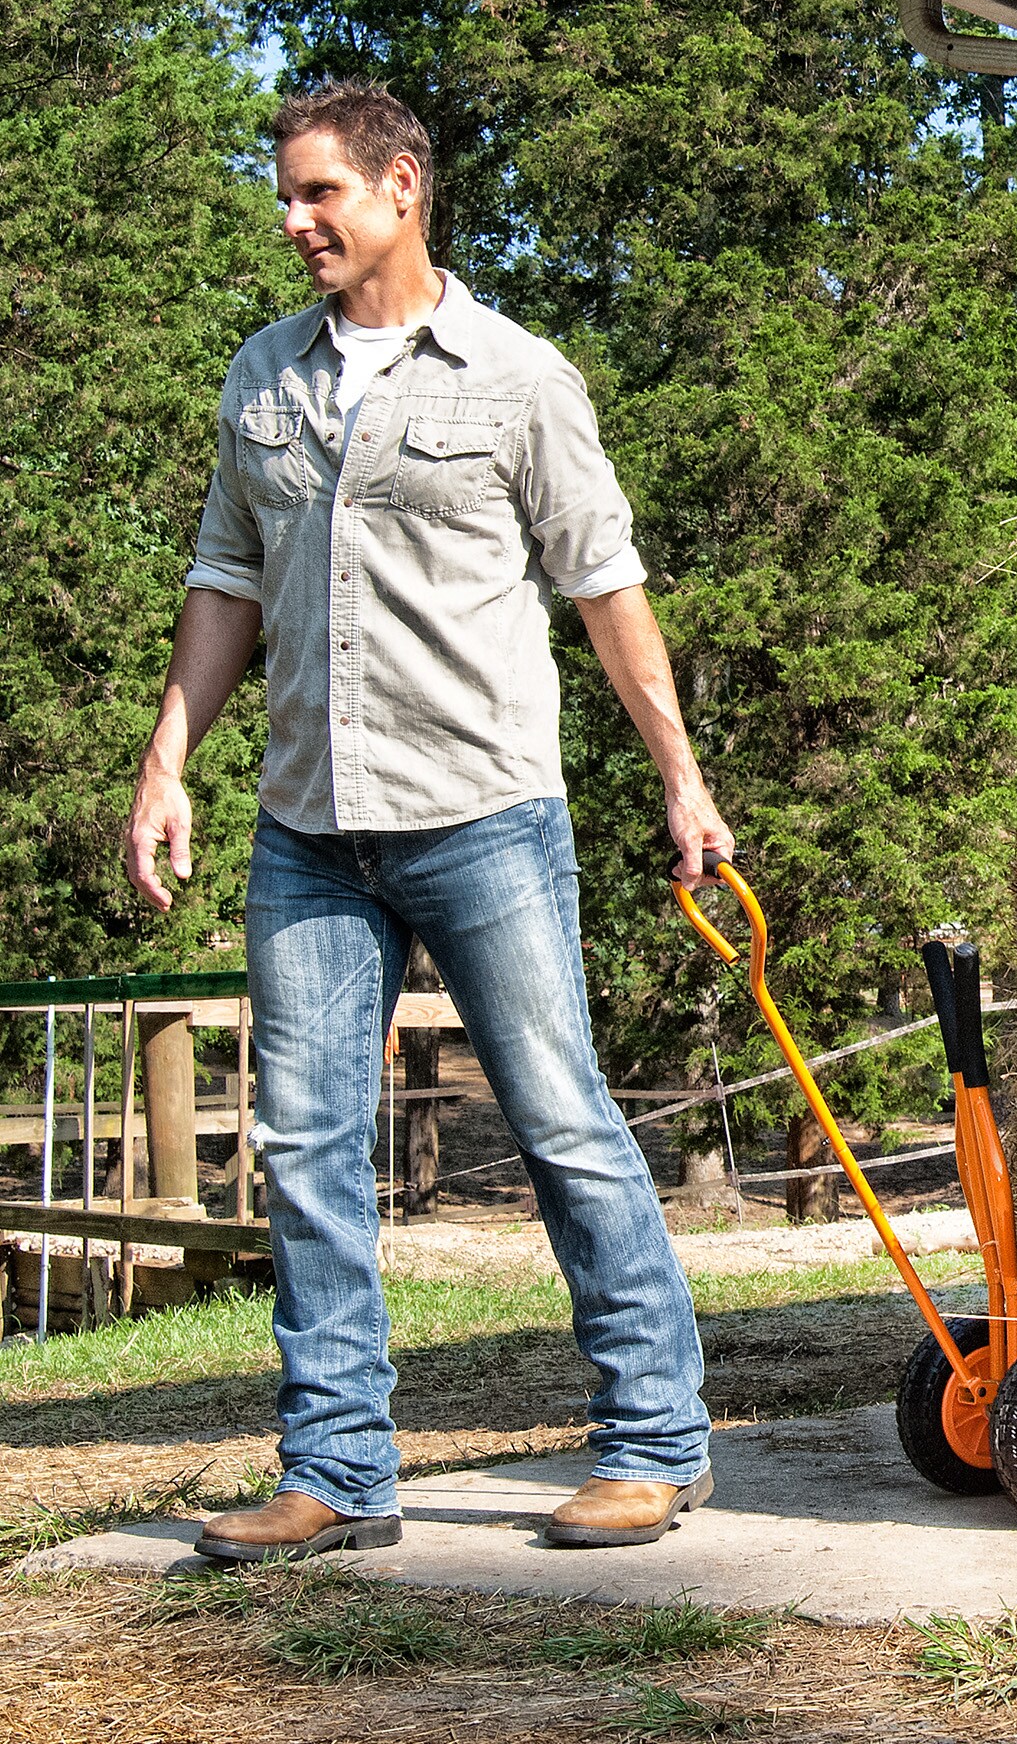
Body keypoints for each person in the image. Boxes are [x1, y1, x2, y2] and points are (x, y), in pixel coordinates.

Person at [124, 80, 731, 1561]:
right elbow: (227, 579)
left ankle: (656, 1441)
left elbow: (605, 588)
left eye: (320, 192)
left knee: (562, 1122)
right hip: (305, 829)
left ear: (402, 189)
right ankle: (335, 1472)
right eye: (289, 194)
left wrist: (679, 772)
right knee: (308, 1144)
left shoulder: (520, 380)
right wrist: (166, 760)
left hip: (482, 813)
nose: (295, 220)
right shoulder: (264, 376)